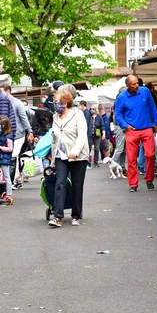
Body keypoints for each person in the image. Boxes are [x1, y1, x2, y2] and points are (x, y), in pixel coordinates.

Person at [48, 89, 89, 227]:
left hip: (78, 157)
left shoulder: (78, 115)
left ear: (65, 102)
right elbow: (55, 139)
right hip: (61, 156)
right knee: (60, 183)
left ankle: (76, 215)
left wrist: (76, 151)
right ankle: (57, 217)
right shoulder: (55, 117)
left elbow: (82, 135)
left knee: (77, 186)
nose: (55, 105)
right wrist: (53, 159)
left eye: (57, 102)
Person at [114, 75, 157, 192]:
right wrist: (125, 126)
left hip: (146, 128)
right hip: (132, 130)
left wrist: (156, 122)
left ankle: (149, 178)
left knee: (150, 154)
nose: (136, 86)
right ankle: (133, 184)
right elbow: (117, 114)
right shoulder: (122, 97)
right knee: (131, 158)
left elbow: (152, 107)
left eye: (137, 83)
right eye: (133, 84)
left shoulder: (145, 91)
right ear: (127, 86)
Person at [3, 85, 34, 189]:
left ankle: (12, 180)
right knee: (10, 156)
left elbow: (23, 117)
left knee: (14, 156)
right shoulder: (3, 102)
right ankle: (11, 180)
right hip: (6, 134)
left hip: (18, 134)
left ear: (8, 91)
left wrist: (29, 131)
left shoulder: (17, 103)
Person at [0, 116, 14, 200]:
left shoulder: (8, 136)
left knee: (7, 177)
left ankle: (9, 194)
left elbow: (10, 149)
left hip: (4, 158)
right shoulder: (0, 134)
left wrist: (0, 147)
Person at [78, 101, 94, 168]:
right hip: (87, 133)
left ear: (82, 105)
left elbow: (85, 123)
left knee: (86, 148)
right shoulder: (86, 112)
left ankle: (88, 163)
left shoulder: (86, 113)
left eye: (79, 105)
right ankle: (87, 163)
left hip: (87, 133)